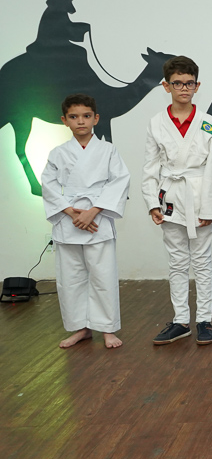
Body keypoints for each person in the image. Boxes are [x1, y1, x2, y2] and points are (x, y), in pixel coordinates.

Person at [142, 56, 212, 345]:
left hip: (199, 196)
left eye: (189, 83)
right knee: (177, 262)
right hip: (170, 197)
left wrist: (211, 208)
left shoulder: (207, 122)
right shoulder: (156, 123)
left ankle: (204, 320)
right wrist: (152, 203)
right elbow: (150, 166)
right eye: (177, 83)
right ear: (166, 86)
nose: (184, 89)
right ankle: (180, 320)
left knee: (202, 261)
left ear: (197, 86)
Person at [42, 94, 130, 349]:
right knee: (70, 278)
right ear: (64, 120)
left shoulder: (108, 150)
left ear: (96, 118)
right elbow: (48, 186)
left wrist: (94, 211)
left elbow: (120, 181)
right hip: (68, 219)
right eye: (74, 117)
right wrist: (71, 212)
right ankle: (81, 328)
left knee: (103, 275)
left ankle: (107, 329)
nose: (80, 121)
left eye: (86, 116)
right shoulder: (58, 153)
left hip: (97, 217)